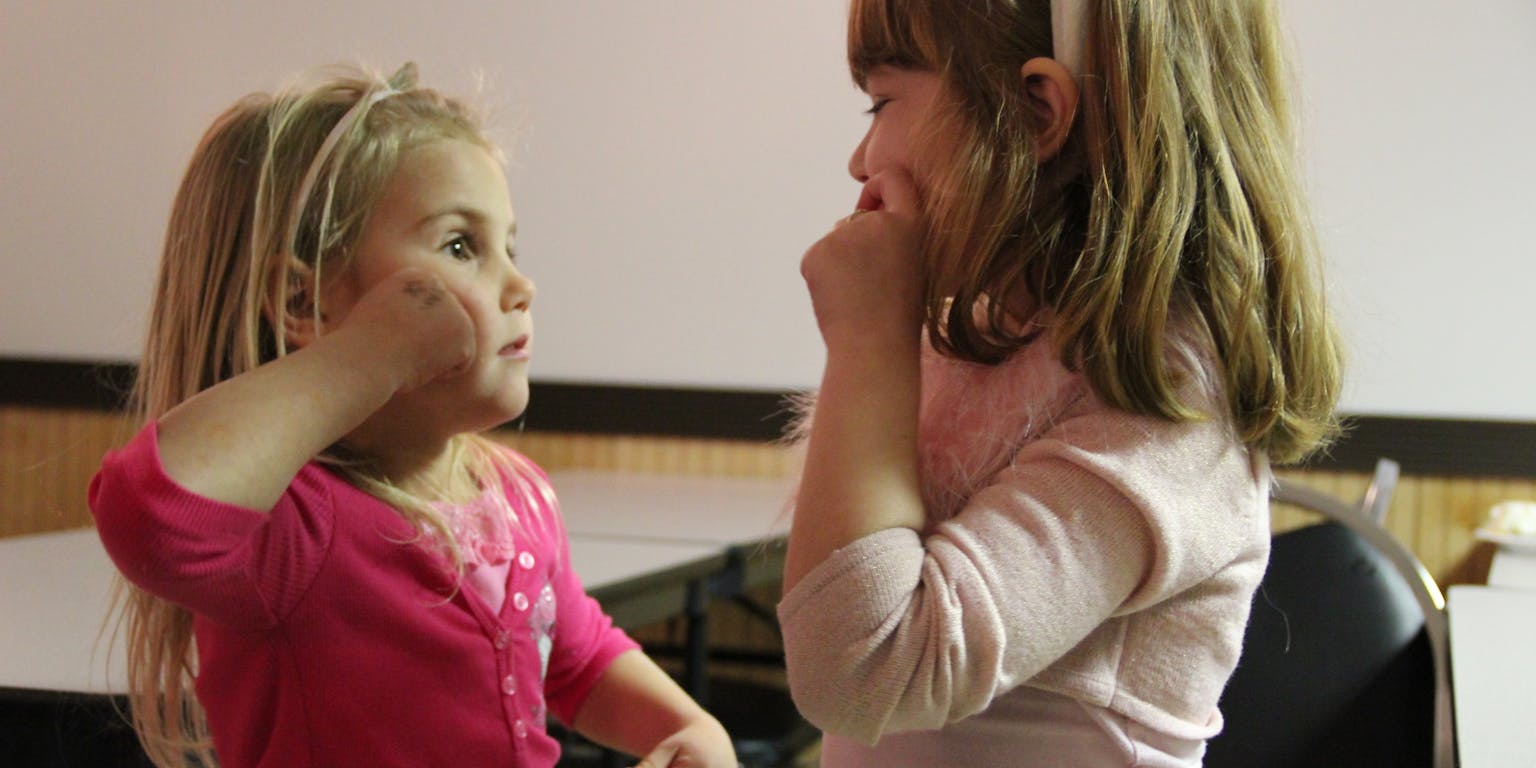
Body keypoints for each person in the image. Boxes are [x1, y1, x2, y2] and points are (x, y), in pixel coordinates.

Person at [89, 62, 736, 768]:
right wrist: (365, 356)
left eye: (509, 248)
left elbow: (578, 658)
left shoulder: (517, 496)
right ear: (304, 301)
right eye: (461, 247)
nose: (521, 284)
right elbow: (152, 517)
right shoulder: (293, 531)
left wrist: (689, 726)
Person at [779, 0, 1343, 765]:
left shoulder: (1169, 408)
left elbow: (862, 671)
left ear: (1035, 114)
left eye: (881, 103)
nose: (861, 160)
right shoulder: (977, 342)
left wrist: (867, 338)